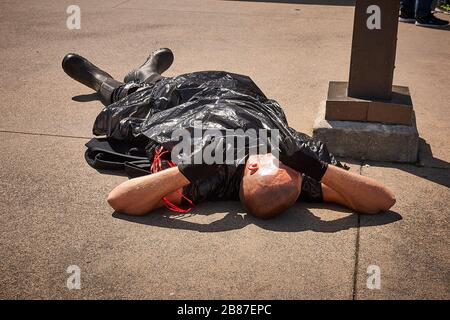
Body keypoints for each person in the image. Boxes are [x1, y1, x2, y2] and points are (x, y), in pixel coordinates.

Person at [62, 49, 396, 219]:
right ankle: (148, 73)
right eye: (294, 169)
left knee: (139, 103)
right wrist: (316, 168)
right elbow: (384, 200)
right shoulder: (303, 178)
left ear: (252, 169)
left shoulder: (209, 181)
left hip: (181, 113)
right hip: (241, 98)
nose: (291, 162)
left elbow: (118, 200)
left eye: (288, 165)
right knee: (178, 86)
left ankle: (99, 79)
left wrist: (189, 171)